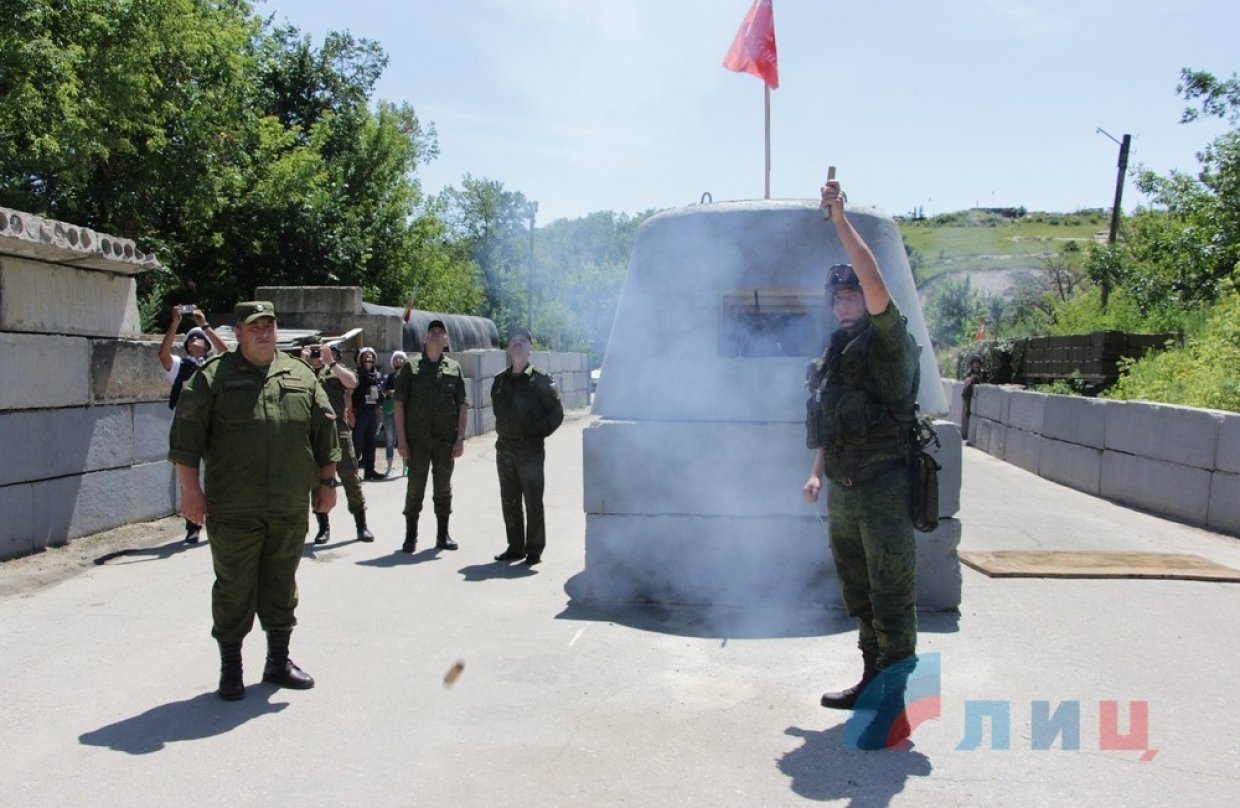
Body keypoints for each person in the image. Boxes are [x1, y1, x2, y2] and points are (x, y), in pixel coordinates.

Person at [169, 300, 340, 702]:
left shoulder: (300, 374)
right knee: (234, 587)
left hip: (287, 504)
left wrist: (328, 483)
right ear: (239, 333)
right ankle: (232, 668)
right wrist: (191, 492)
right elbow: (185, 438)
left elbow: (324, 434)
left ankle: (277, 661)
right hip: (233, 506)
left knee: (281, 582)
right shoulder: (214, 377)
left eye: (269, 325)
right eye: (254, 326)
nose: (264, 332)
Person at [800, 178, 920, 750]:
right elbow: (829, 418)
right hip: (844, 489)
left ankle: (894, 712)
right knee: (861, 596)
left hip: (883, 487)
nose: (846, 300)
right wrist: (817, 471)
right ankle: (872, 683)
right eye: (838, 296)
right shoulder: (834, 353)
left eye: (852, 293)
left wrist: (840, 221)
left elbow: (873, 276)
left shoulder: (886, 342)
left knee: (892, 598)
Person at [393, 319, 469, 553]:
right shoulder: (411, 367)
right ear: (424, 339)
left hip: (445, 442)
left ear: (446, 341)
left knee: (443, 488)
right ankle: (410, 536)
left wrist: (460, 438)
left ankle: (442, 535)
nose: (436, 334)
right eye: (432, 331)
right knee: (415, 487)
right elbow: (399, 405)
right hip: (417, 442)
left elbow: (463, 406)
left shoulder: (454, 368)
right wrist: (402, 441)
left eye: (440, 332)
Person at [490, 326, 564, 566]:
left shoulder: (542, 380)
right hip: (505, 449)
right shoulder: (500, 380)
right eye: (513, 340)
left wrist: (536, 435)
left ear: (531, 347)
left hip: (530, 451)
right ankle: (515, 546)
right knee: (509, 500)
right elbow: (498, 412)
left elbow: (556, 414)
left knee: (533, 500)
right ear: (508, 348)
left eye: (523, 340)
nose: (517, 343)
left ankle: (534, 549)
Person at [158, 304, 227, 544]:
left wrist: (204, 324)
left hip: (213, 425)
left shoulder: (215, 366)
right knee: (188, 478)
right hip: (187, 428)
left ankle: (217, 518)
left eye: (201, 338)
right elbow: (163, 355)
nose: (196, 340)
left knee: (216, 474)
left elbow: (227, 352)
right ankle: (193, 524)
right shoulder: (180, 366)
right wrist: (175, 323)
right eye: (192, 338)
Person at [301, 341, 374, 544]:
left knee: (351, 478)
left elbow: (352, 382)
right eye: (313, 349)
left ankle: (362, 525)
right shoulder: (301, 371)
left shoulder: (334, 370)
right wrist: (303, 361)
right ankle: (323, 528)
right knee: (316, 482)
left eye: (319, 349)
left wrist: (330, 362)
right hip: (313, 435)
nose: (316, 353)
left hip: (338, 431)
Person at [352, 347, 385, 480]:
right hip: (360, 413)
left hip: (372, 413)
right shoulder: (356, 375)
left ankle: (370, 471)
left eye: (371, 356)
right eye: (365, 356)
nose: (368, 358)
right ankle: (353, 473)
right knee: (357, 444)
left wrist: (379, 395)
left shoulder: (377, 376)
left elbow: (381, 397)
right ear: (360, 359)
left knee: (370, 444)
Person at [381, 351, 408, 477]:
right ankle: (390, 466)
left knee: (404, 438)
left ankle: (406, 466)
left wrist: (394, 392)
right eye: (396, 358)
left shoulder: (409, 376)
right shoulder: (388, 377)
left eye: (400, 358)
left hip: (405, 411)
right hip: (390, 410)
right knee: (389, 439)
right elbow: (384, 392)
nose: (398, 360)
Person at [960, 354, 989, 439]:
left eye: (978, 363)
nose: (976, 365)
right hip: (969, 397)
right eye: (974, 363)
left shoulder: (983, 373)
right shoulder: (970, 374)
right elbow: (967, 382)